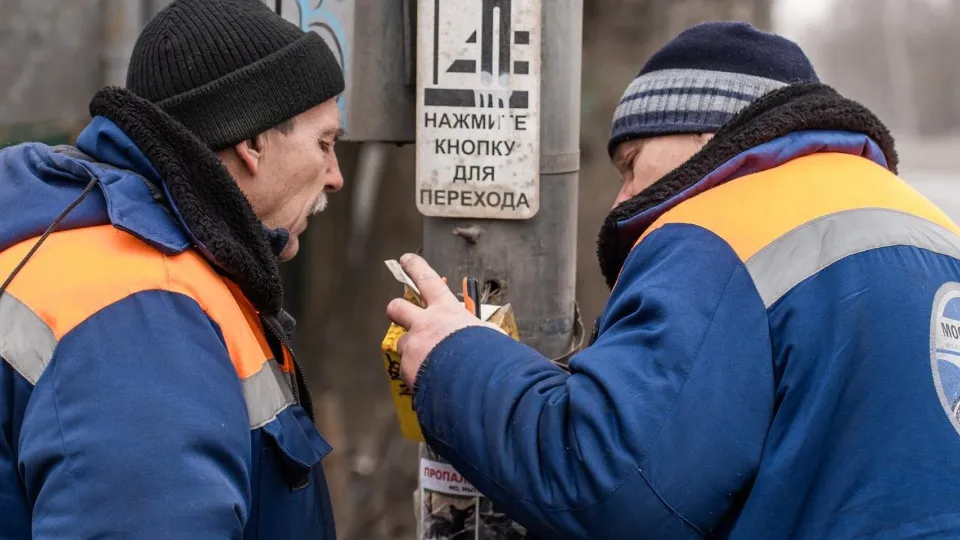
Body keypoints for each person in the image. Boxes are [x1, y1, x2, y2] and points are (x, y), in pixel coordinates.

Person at [387, 21, 960, 539]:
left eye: (631, 162)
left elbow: (608, 486)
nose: (622, 198)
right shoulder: (933, 230)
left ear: (705, 136)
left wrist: (454, 357)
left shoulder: (723, 226)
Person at [0, 0, 344, 537]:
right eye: (324, 144)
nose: (335, 175)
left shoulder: (88, 239)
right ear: (252, 142)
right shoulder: (142, 312)